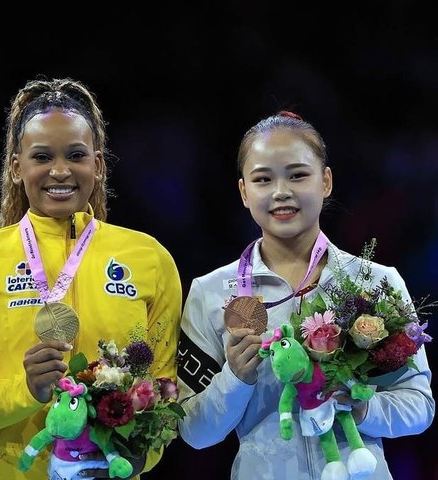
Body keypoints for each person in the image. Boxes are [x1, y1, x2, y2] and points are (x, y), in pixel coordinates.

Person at [0, 77, 182, 480]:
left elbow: (165, 395)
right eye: (42, 156)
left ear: (97, 165)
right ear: (17, 167)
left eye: (76, 155)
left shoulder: (150, 258)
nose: (60, 170)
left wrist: (134, 459)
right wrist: (27, 390)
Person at [176, 111, 435, 479]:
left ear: (326, 181)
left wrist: (362, 410)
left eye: (298, 175)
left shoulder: (376, 283)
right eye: (263, 179)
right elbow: (195, 432)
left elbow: (419, 406)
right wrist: (234, 378)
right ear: (244, 192)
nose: (281, 191)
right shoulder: (210, 292)